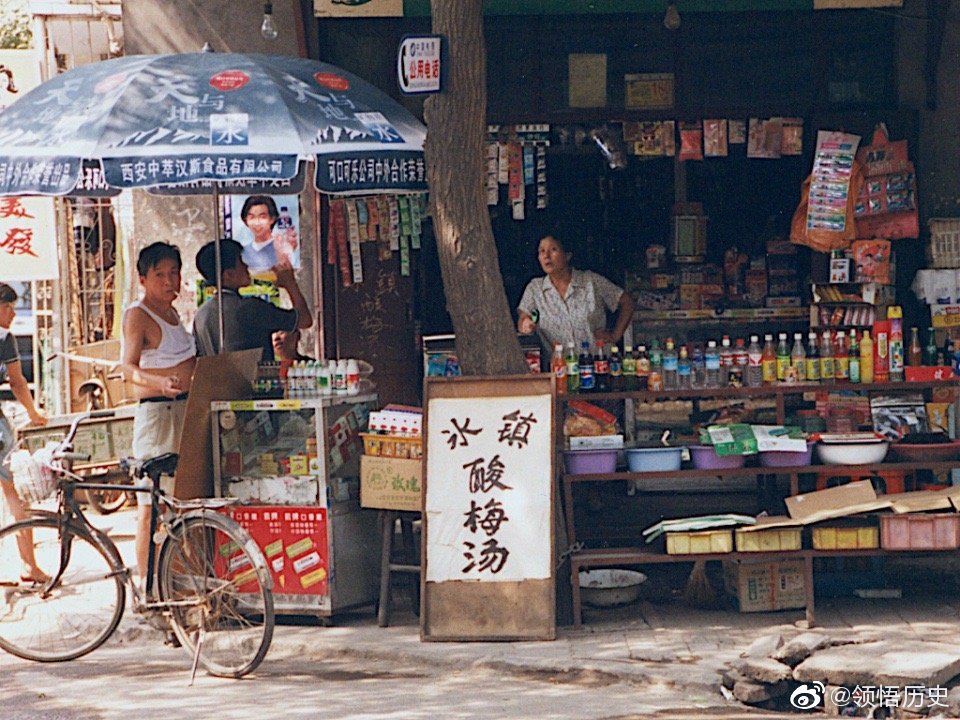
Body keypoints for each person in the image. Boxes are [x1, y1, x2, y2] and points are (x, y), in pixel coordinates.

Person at [118, 243, 196, 581]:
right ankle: (149, 585)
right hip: (158, 416)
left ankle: (177, 581)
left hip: (184, 413)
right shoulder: (139, 315)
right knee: (152, 506)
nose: (168, 281)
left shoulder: (176, 314)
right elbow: (126, 369)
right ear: (142, 279)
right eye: (159, 275)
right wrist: (159, 384)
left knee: (183, 503)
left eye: (173, 273)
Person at [193, 238, 312, 361]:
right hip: (254, 379)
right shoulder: (249, 307)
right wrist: (290, 284)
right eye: (240, 262)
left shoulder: (200, 315)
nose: (246, 266)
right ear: (229, 274)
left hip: (215, 380)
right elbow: (304, 320)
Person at [517, 233, 636, 356]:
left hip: (598, 363)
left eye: (553, 250)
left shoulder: (590, 281)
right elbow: (523, 318)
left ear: (567, 255)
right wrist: (526, 324)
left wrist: (615, 335)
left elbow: (627, 302)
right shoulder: (535, 288)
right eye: (541, 251)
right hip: (559, 368)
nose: (546, 256)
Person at [0, 283, 48, 583]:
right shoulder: (4, 338)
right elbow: (17, 381)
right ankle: (29, 565)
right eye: (7, 306)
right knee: (14, 491)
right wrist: (33, 413)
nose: (13, 313)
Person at [238, 195, 281, 271]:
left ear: (272, 219)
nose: (257, 223)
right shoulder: (243, 252)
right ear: (245, 221)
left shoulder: (280, 249)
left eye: (262, 217)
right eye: (252, 217)